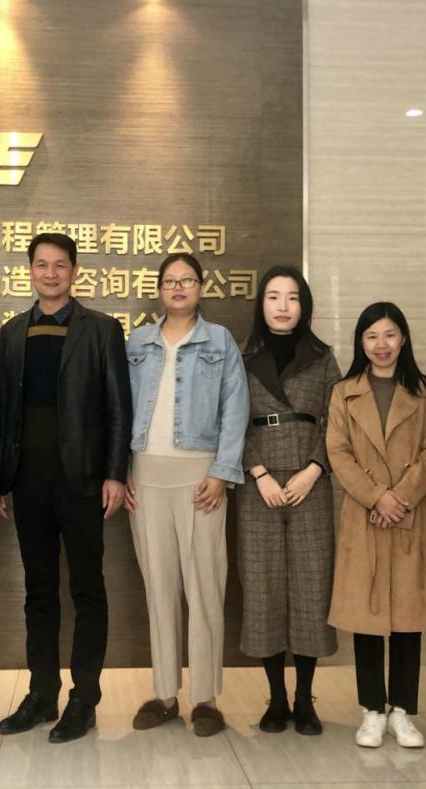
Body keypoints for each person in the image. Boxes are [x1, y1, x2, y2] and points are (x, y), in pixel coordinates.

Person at [0, 232, 133, 743]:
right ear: (30, 270)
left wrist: (115, 472)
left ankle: (84, 698)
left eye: (60, 265)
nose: (50, 274)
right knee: (39, 590)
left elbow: (119, 407)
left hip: (84, 480)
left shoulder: (101, 329)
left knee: (87, 589)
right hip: (28, 481)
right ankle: (42, 694)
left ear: (74, 271)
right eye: (41, 265)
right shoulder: (13, 332)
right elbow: (4, 411)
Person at [123, 253, 249, 738]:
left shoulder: (219, 340)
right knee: (159, 588)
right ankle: (163, 694)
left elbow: (235, 408)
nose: (179, 287)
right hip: (145, 476)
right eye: (171, 280)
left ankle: (206, 699)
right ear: (160, 289)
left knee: (205, 587)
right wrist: (120, 470)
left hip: (201, 478)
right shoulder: (138, 342)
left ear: (200, 287)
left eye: (188, 280)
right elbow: (119, 407)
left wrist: (222, 472)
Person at [326, 302, 426, 749]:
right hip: (363, 514)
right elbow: (337, 452)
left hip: (409, 516)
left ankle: (402, 711)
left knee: (407, 617)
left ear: (403, 339)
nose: (381, 345)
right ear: (361, 342)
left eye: (390, 335)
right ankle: (372, 711)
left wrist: (400, 498)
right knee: (367, 615)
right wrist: (377, 496)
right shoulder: (344, 392)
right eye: (372, 336)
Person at [236, 266, 339, 735]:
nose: (282, 306)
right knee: (263, 589)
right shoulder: (241, 357)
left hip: (309, 486)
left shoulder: (323, 358)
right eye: (274, 296)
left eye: (292, 297)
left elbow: (340, 422)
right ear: (261, 304)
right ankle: (276, 698)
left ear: (304, 305)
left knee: (311, 589)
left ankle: (304, 698)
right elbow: (229, 420)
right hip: (258, 488)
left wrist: (314, 469)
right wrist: (257, 472)